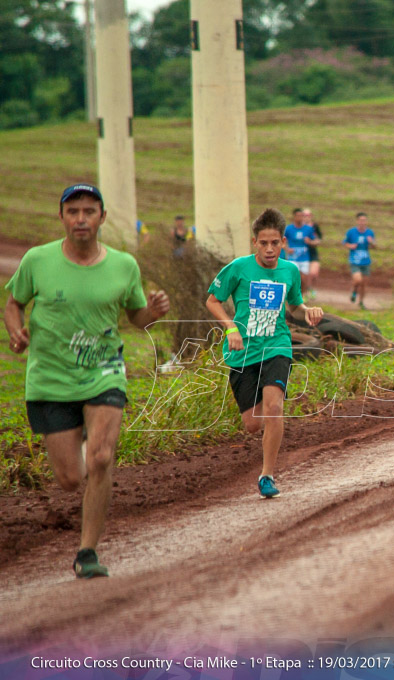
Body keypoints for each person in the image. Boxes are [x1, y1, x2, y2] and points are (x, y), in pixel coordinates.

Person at [3, 183, 170, 578]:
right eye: (73, 211)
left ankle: (87, 552)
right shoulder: (37, 260)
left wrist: (154, 312)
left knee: (101, 458)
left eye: (89, 211)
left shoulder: (124, 265)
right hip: (51, 379)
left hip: (104, 371)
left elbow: (136, 318)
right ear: (61, 216)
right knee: (69, 479)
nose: (81, 218)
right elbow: (13, 303)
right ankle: (78, 436)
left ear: (102, 218)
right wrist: (16, 331)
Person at [206, 208, 323, 499]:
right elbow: (212, 301)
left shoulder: (290, 270)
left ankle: (267, 475)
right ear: (254, 242)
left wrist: (308, 311)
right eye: (263, 243)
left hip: (277, 345)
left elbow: (294, 306)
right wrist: (231, 328)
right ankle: (265, 449)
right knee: (252, 424)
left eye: (275, 243)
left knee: (274, 408)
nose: (269, 249)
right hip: (243, 350)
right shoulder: (238, 268)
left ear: (283, 242)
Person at [344, 212, 376, 309]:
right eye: (361, 220)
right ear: (357, 221)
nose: (362, 222)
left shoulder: (370, 232)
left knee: (364, 284)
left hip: (365, 260)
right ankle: (354, 290)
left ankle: (361, 302)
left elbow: (374, 246)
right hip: (354, 260)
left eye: (364, 220)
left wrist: (372, 243)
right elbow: (345, 243)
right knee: (358, 280)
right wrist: (351, 246)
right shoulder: (351, 232)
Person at [283, 207, 317, 294]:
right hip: (293, 257)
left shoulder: (308, 229)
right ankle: (293, 295)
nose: (300, 218)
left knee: (304, 278)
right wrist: (287, 249)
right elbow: (281, 241)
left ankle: (303, 295)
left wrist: (310, 242)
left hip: (304, 257)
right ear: (294, 217)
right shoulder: (288, 229)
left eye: (301, 216)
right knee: (295, 276)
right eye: (298, 216)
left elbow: (316, 241)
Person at [303, 208, 323, 299]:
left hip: (312, 252)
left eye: (308, 215)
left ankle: (311, 289)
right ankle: (306, 291)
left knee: (314, 273)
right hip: (302, 254)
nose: (307, 217)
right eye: (305, 215)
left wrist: (311, 242)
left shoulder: (314, 227)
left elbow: (319, 240)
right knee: (305, 275)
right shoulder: (299, 227)